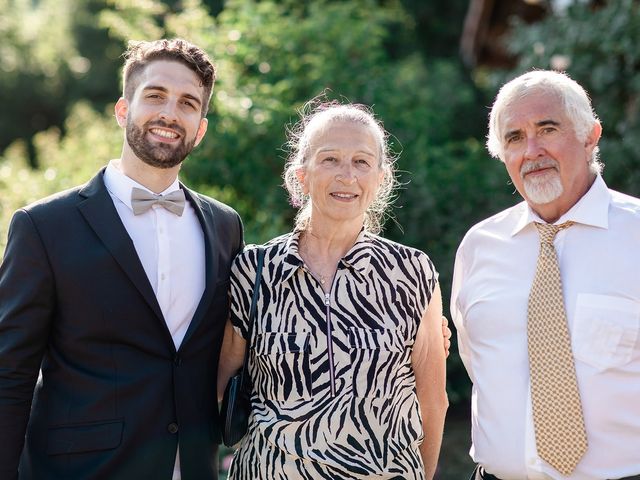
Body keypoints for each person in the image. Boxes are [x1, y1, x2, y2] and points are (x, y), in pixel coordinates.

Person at [0, 39, 243, 479]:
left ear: (200, 129)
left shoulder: (225, 227)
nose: (170, 113)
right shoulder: (44, 226)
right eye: (155, 96)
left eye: (188, 103)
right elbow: (9, 374)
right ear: (122, 110)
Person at [217, 100, 449, 480]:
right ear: (302, 175)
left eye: (361, 162)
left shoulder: (412, 271)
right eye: (330, 160)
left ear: (380, 179)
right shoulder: (254, 269)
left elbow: (434, 401)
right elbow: (222, 388)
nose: (347, 175)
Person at [451, 70, 640, 480]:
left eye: (547, 129)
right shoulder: (479, 247)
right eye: (514, 137)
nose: (531, 150)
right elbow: (477, 361)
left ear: (591, 135)